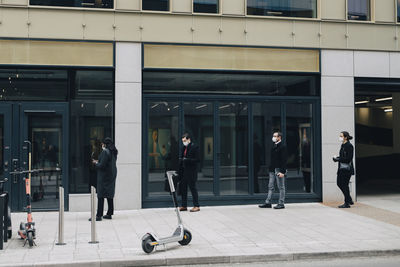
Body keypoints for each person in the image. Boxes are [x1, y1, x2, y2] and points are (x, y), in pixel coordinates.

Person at [91, 137, 118, 221]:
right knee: (110, 195)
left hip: (104, 177)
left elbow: (102, 165)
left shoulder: (105, 152)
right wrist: (99, 162)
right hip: (111, 175)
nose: (102, 145)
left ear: (105, 144)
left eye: (103, 144)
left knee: (101, 195)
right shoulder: (113, 152)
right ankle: (109, 214)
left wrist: (95, 163)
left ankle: (99, 215)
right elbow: (107, 163)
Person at [259, 131, 287, 209]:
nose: (273, 137)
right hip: (272, 169)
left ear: (279, 137)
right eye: (273, 136)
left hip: (279, 170)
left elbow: (284, 160)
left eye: (275, 136)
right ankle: (268, 202)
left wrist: (282, 172)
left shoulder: (282, 146)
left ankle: (281, 203)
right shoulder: (273, 146)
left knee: (281, 187)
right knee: (270, 186)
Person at [179, 133, 200, 212]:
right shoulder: (183, 148)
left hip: (191, 171)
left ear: (189, 139)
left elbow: (197, 160)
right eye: (182, 141)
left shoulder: (194, 147)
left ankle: (196, 205)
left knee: (193, 188)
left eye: (184, 140)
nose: (183, 142)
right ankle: (184, 205)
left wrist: (187, 160)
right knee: (183, 188)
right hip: (184, 171)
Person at [333, 131, 354, 208]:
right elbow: (342, 157)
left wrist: (338, 160)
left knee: (344, 185)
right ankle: (349, 199)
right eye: (340, 136)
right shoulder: (343, 145)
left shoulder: (349, 146)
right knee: (339, 183)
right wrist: (337, 158)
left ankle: (347, 202)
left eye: (341, 136)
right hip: (341, 168)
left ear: (345, 137)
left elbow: (349, 159)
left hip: (346, 169)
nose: (340, 137)